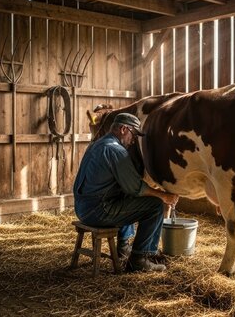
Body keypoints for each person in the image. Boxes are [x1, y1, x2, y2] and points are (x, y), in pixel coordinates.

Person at [73, 113, 179, 272]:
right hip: (98, 211)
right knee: (155, 206)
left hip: (82, 208)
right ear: (123, 129)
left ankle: (123, 248)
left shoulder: (98, 143)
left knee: (127, 195)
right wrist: (164, 196)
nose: (134, 139)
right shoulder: (116, 150)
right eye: (133, 134)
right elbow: (136, 187)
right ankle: (139, 259)